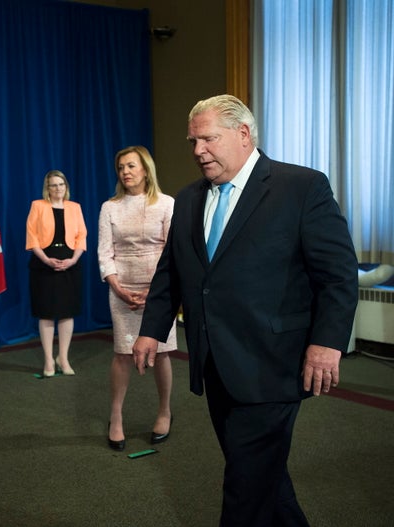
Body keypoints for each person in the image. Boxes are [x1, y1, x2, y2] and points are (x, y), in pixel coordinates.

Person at [133, 95, 358, 526]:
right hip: (215, 362)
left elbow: (338, 274)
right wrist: (151, 330)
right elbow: (172, 275)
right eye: (193, 141)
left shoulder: (301, 187)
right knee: (261, 476)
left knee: (245, 484)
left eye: (208, 139)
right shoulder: (189, 199)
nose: (198, 150)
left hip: (274, 362)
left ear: (243, 134)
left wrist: (326, 343)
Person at [98, 146, 176, 451]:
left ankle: (165, 411)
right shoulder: (110, 207)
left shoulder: (167, 204)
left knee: (163, 352)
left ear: (145, 169)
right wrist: (117, 286)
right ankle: (115, 417)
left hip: (158, 290)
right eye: (121, 168)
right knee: (122, 354)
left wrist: (154, 290)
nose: (125, 172)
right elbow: (105, 252)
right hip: (122, 289)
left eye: (131, 166)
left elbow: (172, 252)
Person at [26, 170, 87, 377]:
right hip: (44, 264)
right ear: (47, 188)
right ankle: (48, 360)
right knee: (46, 313)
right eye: (53, 185)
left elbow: (81, 236)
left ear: (66, 187)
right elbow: (32, 236)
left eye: (61, 184)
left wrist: (73, 260)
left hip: (70, 263)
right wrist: (46, 260)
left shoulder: (75, 207)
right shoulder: (38, 206)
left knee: (67, 312)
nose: (58, 188)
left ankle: (63, 358)